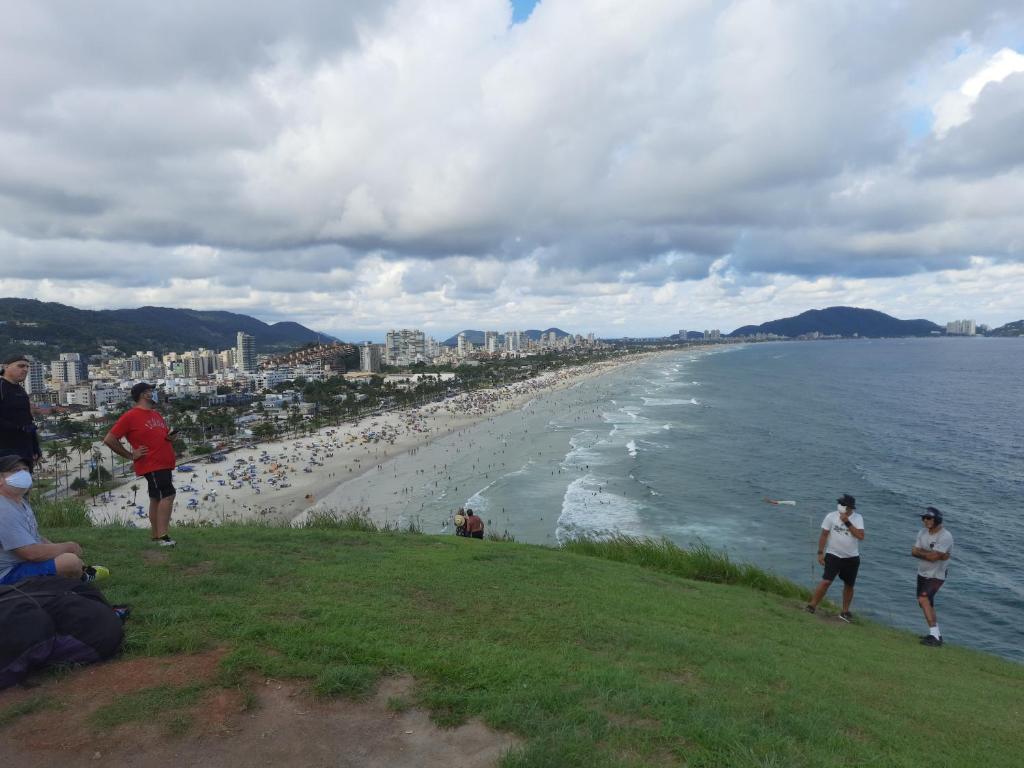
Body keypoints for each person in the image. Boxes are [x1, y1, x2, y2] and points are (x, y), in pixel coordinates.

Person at [0, 455, 107, 584]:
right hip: (6, 574)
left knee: (66, 557)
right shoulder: (4, 510)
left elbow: (35, 537)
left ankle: (78, 572)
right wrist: (68, 547)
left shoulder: (18, 501)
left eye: (25, 469)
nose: (23, 474)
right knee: (70, 562)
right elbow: (31, 553)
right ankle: (80, 578)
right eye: (16, 470)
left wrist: (58, 549)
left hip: (19, 564)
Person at [103, 383, 177, 547]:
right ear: (144, 394)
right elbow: (109, 439)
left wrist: (170, 438)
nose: (154, 393)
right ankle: (163, 536)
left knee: (156, 498)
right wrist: (131, 455)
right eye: (151, 391)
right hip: (152, 463)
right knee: (168, 494)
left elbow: (161, 436)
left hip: (164, 462)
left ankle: (156, 536)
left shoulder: (156, 414)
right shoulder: (130, 416)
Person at [805, 493, 865, 622]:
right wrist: (820, 552)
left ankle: (845, 612)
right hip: (833, 555)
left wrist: (847, 522)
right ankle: (812, 605)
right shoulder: (831, 516)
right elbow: (824, 535)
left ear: (850, 507)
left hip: (851, 557)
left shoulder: (858, 518)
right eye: (840, 503)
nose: (840, 505)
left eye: (843, 504)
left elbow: (860, 536)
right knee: (826, 581)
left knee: (849, 585)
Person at [912, 507, 953, 647]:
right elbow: (914, 552)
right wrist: (932, 554)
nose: (925, 520)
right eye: (924, 518)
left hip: (937, 575)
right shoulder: (922, 532)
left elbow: (933, 557)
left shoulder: (945, 536)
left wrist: (927, 554)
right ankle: (936, 634)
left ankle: (934, 636)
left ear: (937, 519)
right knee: (925, 603)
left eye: (929, 518)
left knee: (923, 599)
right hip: (922, 573)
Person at [0, 354, 42, 471]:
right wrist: (19, 428)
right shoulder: (1, 387)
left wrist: (36, 448)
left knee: (24, 481)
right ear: (6, 367)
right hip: (5, 451)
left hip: (25, 450)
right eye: (21, 366)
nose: (25, 369)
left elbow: (28, 420)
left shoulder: (21, 390)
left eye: (27, 367)